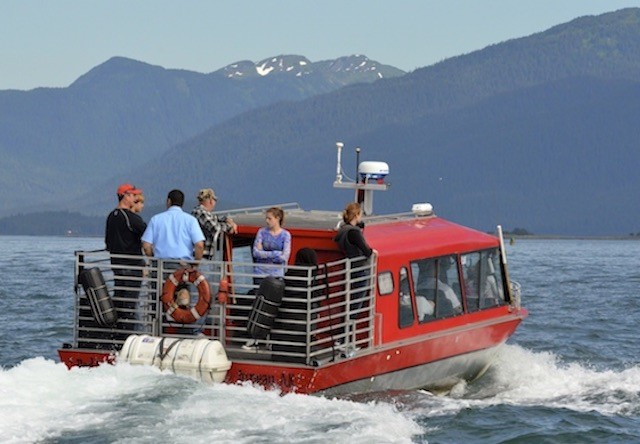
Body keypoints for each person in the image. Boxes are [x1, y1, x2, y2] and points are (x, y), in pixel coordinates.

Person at [104, 183, 147, 324]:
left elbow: (108, 242)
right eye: (133, 195)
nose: (135, 198)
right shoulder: (131, 218)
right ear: (126, 196)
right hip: (132, 266)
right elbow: (148, 236)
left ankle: (116, 332)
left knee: (119, 299)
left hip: (116, 265)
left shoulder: (111, 216)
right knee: (130, 303)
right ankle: (128, 333)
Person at [333, 202, 376, 318]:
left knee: (350, 300)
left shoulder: (342, 230)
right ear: (356, 215)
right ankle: (349, 328)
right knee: (356, 303)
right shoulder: (354, 232)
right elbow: (367, 251)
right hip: (360, 269)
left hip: (350, 268)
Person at [141, 189, 205, 263]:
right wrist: (195, 264)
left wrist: (152, 259)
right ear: (182, 203)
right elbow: (199, 245)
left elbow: (146, 246)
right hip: (183, 266)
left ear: (168, 201)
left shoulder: (155, 219)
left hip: (160, 265)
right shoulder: (191, 220)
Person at [191, 188, 238, 260]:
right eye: (215, 200)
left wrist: (227, 220)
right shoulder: (200, 213)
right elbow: (216, 228)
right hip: (201, 257)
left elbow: (216, 219)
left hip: (202, 257)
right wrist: (230, 227)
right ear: (210, 200)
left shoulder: (201, 212)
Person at [252, 207, 291, 284]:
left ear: (277, 218)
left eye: (269, 218)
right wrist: (277, 253)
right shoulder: (261, 232)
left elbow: (284, 257)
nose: (267, 221)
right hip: (260, 273)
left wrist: (263, 253)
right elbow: (256, 253)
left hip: (277, 274)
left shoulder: (285, 235)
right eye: (266, 218)